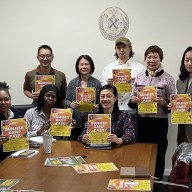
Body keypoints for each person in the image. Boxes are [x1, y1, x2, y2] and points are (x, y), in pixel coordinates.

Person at [128, 45, 176, 180]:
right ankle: (143, 181)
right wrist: (133, 99)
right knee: (142, 153)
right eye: (149, 57)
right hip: (142, 122)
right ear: (145, 59)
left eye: (155, 57)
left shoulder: (168, 79)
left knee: (159, 155)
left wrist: (164, 103)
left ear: (161, 59)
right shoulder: (139, 77)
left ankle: (158, 183)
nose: (151, 60)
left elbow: (173, 106)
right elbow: (131, 104)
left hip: (159, 124)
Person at [99, 37, 146, 110]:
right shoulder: (108, 68)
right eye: (118, 47)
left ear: (130, 48)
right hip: (113, 109)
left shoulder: (140, 68)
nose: (121, 50)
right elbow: (101, 89)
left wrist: (136, 84)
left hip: (133, 109)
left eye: (124, 47)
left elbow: (146, 90)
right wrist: (108, 85)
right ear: (115, 50)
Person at [65, 55, 102, 140]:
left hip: (91, 120)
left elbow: (101, 101)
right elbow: (66, 100)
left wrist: (97, 105)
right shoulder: (72, 82)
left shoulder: (96, 83)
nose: (84, 67)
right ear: (77, 67)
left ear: (91, 66)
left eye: (86, 64)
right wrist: (71, 104)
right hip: (75, 120)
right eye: (81, 64)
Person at [176, 47, 192, 145]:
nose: (189, 63)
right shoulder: (180, 81)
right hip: (183, 127)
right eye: (186, 60)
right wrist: (172, 106)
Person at [0, 82, 13, 161]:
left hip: (16, 157)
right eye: (0, 100)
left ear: (10, 100)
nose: (3, 103)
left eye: (6, 99)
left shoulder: (16, 115)